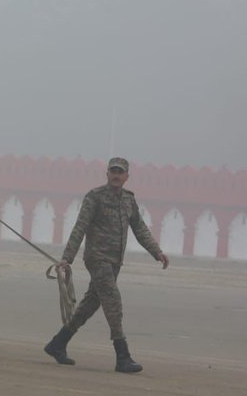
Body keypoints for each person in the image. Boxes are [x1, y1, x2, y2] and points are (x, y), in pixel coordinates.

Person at [44, 157, 169, 373]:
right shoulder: (95, 197)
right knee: (113, 301)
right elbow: (80, 227)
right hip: (97, 259)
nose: (116, 175)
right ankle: (122, 356)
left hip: (115, 262)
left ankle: (58, 343)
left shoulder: (129, 200)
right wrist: (67, 258)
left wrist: (156, 252)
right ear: (107, 174)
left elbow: (140, 228)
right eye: (113, 171)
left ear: (127, 177)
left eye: (120, 172)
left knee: (91, 304)